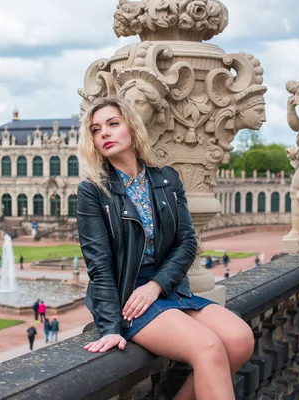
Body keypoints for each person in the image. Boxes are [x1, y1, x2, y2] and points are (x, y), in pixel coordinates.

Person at [76, 97, 254, 399]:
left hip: (168, 287)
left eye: (112, 123)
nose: (103, 133)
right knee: (208, 347)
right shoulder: (93, 190)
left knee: (240, 339)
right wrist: (110, 327)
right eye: (95, 130)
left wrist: (157, 285)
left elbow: (187, 242)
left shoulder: (166, 179)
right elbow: (100, 265)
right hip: (129, 297)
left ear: (132, 127)